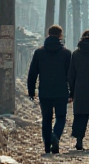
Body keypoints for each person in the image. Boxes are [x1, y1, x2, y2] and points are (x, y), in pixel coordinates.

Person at [27, 26, 74, 154]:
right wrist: (72, 92)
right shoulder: (66, 53)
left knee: (46, 119)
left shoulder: (39, 52)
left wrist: (31, 91)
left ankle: (47, 147)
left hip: (45, 92)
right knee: (60, 117)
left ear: (48, 34)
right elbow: (70, 75)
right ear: (60, 36)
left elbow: (32, 73)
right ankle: (56, 136)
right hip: (61, 92)